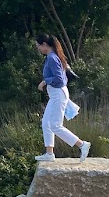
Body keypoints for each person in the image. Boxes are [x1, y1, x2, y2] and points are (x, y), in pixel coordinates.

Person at [34, 33, 90, 162]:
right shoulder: (51, 57)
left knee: (55, 125)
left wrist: (45, 81)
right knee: (46, 123)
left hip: (58, 94)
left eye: (38, 46)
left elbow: (59, 79)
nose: (38, 49)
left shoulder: (52, 58)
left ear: (44, 45)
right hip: (56, 95)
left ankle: (82, 145)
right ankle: (49, 153)